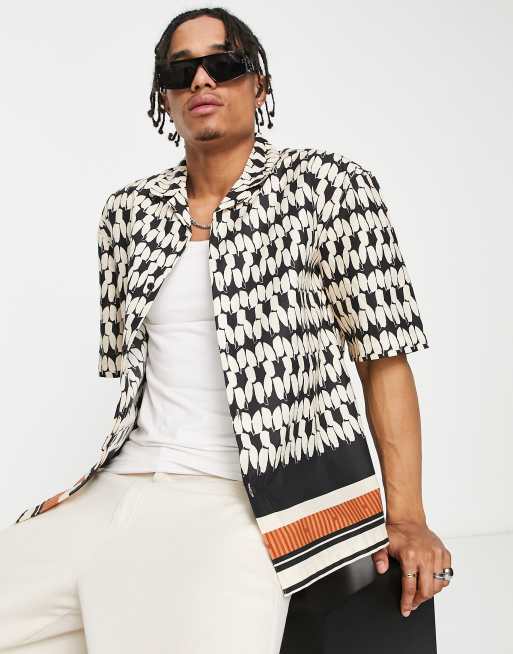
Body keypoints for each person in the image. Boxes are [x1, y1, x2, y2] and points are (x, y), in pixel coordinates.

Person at [0, 7, 453, 654]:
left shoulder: (328, 188)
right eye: (180, 71)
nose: (202, 80)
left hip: (249, 500)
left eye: (224, 63)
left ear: (258, 84)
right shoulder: (128, 213)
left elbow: (383, 357)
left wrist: (407, 516)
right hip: (120, 485)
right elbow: (131, 374)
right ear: (164, 96)